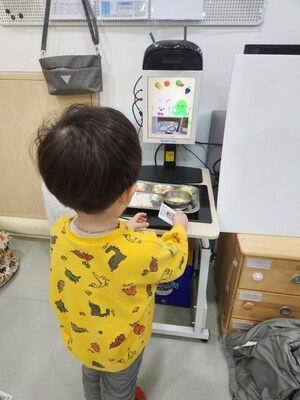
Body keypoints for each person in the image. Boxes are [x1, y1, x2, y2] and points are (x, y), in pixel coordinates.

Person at [33, 104, 189, 400]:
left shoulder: (60, 229)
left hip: (81, 337)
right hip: (121, 347)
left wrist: (125, 227)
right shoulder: (144, 251)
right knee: (120, 390)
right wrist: (179, 227)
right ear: (129, 192)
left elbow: (98, 250)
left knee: (90, 374)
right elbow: (177, 259)